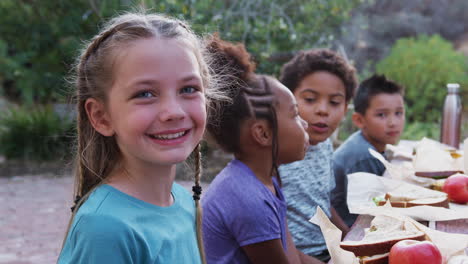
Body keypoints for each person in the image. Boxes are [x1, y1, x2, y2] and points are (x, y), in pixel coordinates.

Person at [58, 12, 226, 264]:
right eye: (145, 94)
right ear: (101, 117)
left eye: (188, 89)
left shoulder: (182, 201)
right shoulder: (105, 228)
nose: (174, 112)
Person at [201, 36, 324, 264]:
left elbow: (294, 256)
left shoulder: (267, 181)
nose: (305, 124)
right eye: (295, 114)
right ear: (263, 134)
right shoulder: (247, 198)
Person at [278, 49, 358, 262]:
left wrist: (353, 238)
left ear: (345, 108)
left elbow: (322, 203)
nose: (323, 110)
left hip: (329, 251)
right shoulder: (273, 154)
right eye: (310, 99)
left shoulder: (325, 146)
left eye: (334, 102)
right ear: (288, 98)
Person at [332, 74, 405, 227]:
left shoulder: (369, 143)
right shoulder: (364, 156)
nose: (393, 123)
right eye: (382, 115)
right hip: (351, 230)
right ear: (359, 120)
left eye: (398, 113)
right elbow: (371, 211)